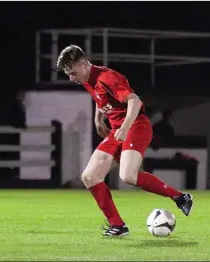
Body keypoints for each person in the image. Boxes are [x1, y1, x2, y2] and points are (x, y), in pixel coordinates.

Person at [56, 45, 193, 237]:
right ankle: (118, 226)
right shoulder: (88, 79)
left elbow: (134, 101)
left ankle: (181, 197)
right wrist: (98, 119)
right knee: (90, 177)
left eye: (72, 72)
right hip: (118, 129)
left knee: (128, 176)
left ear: (84, 64)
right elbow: (100, 99)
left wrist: (125, 127)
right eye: (68, 74)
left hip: (135, 126)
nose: (71, 78)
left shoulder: (107, 77)